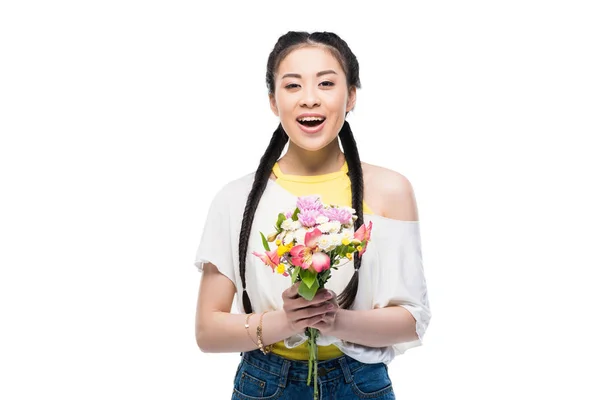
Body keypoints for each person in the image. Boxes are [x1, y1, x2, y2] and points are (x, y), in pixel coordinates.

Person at [193, 31, 431, 400]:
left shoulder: (390, 190)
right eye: (292, 85)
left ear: (351, 95)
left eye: (325, 83)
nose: (309, 99)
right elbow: (207, 331)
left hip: (359, 383)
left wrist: (334, 319)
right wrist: (287, 321)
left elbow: (412, 322)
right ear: (273, 101)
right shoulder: (234, 198)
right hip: (264, 383)